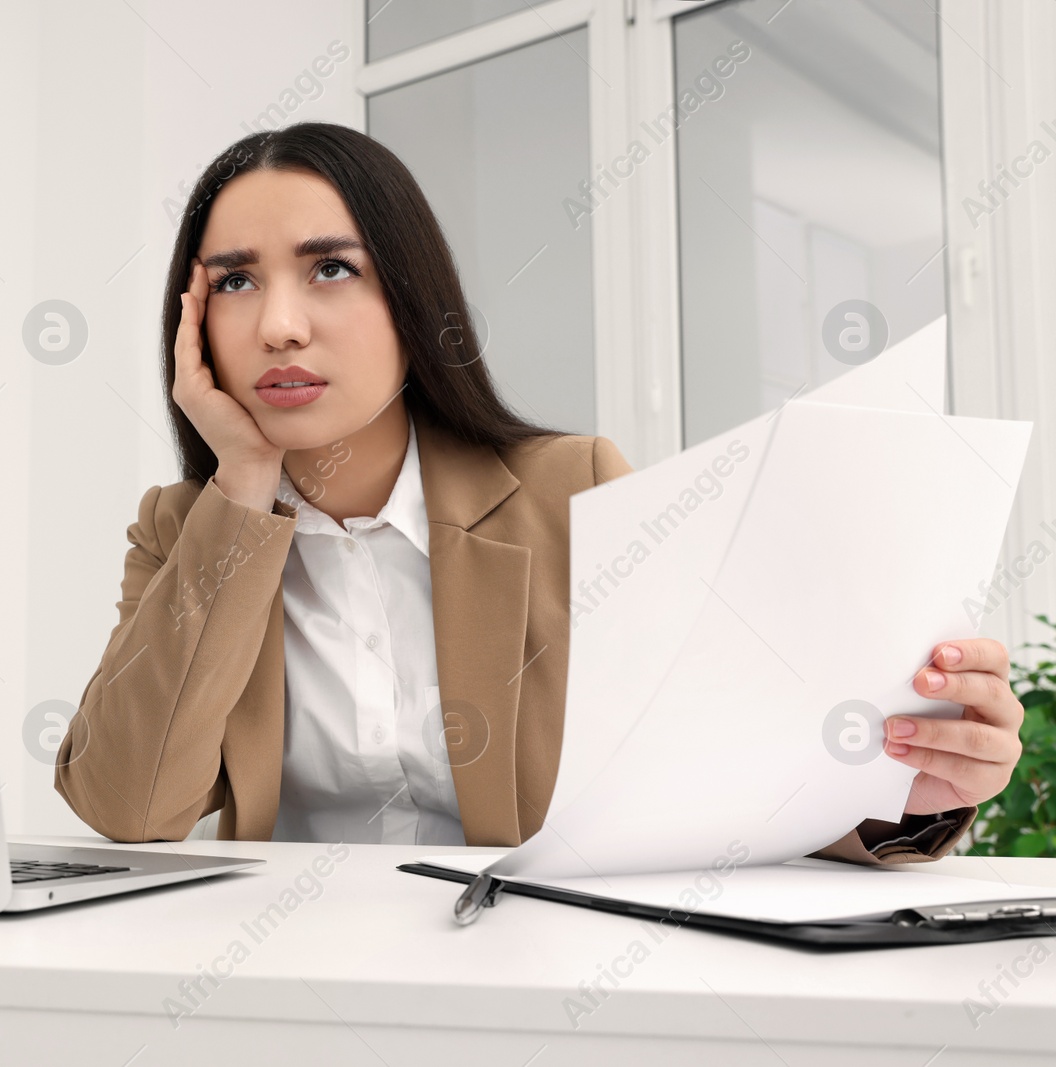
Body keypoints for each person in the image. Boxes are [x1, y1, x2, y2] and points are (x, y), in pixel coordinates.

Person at [55, 121, 1021, 863]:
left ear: (412, 299)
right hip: (288, 988)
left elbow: (707, 770)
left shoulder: (575, 491)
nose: (279, 325)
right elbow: (129, 808)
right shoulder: (186, 527)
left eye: (332, 269)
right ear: (193, 329)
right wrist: (244, 486)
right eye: (232, 284)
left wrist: (909, 793)